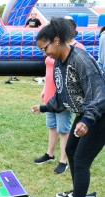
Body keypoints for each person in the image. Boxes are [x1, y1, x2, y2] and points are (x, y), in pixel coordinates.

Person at [31, 18, 105, 197]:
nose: (44, 53)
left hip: (100, 114)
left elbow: (99, 94)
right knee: (71, 151)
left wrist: (87, 121)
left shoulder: (80, 59)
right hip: (86, 113)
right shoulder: (58, 62)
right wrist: (45, 107)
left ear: (56, 40)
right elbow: (64, 94)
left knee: (81, 160)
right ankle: (81, 194)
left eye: (44, 48)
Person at [34, 17, 85, 175]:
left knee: (63, 129)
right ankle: (50, 154)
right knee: (52, 126)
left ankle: (64, 160)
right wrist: (45, 88)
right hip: (50, 94)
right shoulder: (53, 49)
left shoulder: (75, 49)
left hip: (62, 96)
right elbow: (50, 71)